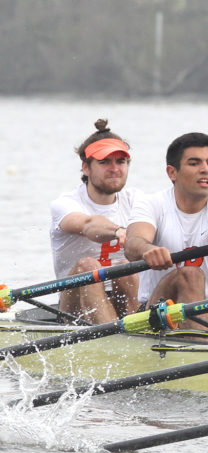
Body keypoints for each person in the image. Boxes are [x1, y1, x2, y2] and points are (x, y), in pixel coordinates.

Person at [125, 132, 208, 329]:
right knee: (190, 275)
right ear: (172, 172)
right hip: (159, 311)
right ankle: (206, 348)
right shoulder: (151, 204)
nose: (205, 170)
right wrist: (147, 250)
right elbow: (133, 243)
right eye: (194, 163)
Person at [49, 119, 140, 324]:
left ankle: (135, 334)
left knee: (125, 267)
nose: (114, 168)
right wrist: (118, 231)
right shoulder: (65, 204)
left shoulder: (137, 202)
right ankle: (118, 340)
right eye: (104, 162)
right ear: (86, 168)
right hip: (74, 308)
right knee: (88, 266)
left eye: (120, 161)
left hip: (124, 300)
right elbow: (88, 224)